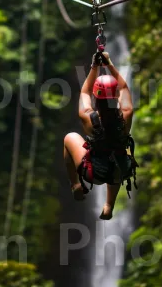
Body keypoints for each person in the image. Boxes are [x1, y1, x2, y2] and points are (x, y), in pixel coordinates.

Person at [63, 51, 136, 220]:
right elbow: (124, 87)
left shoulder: (89, 118)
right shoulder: (126, 115)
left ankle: (76, 184)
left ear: (96, 98)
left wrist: (94, 67)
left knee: (70, 137)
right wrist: (109, 64)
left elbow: (84, 93)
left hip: (93, 173)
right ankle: (109, 204)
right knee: (119, 154)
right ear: (117, 96)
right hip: (119, 171)